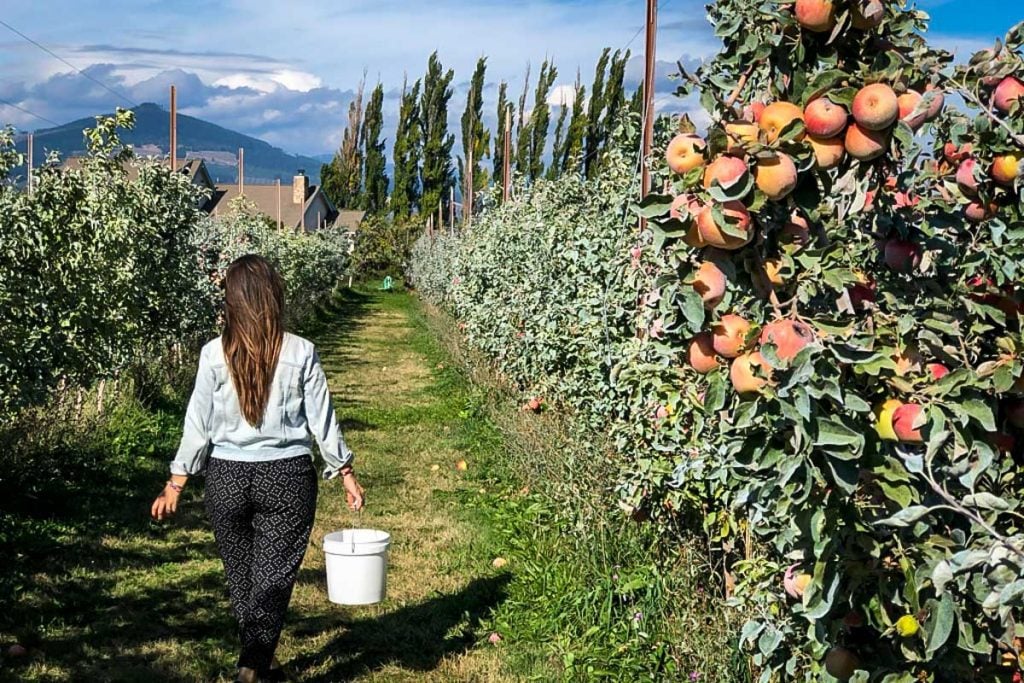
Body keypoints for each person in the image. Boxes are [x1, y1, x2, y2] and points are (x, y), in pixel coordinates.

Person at [150, 254, 364, 683]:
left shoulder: (214, 354)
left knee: (245, 580)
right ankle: (253, 667)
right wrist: (344, 470)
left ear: (231, 301)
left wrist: (177, 481)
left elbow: (198, 422)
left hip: (226, 477)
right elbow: (322, 418)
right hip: (286, 477)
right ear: (273, 296)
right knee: (271, 580)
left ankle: (260, 663)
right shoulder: (300, 351)